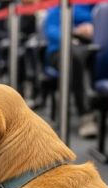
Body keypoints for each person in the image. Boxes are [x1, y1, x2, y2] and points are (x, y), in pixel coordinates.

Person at [44, 4, 98, 139]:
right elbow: (51, 31)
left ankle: (98, 103)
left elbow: (102, 21)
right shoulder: (56, 6)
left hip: (89, 45)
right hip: (60, 49)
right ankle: (85, 115)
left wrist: (92, 28)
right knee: (73, 60)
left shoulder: (91, 6)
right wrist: (74, 32)